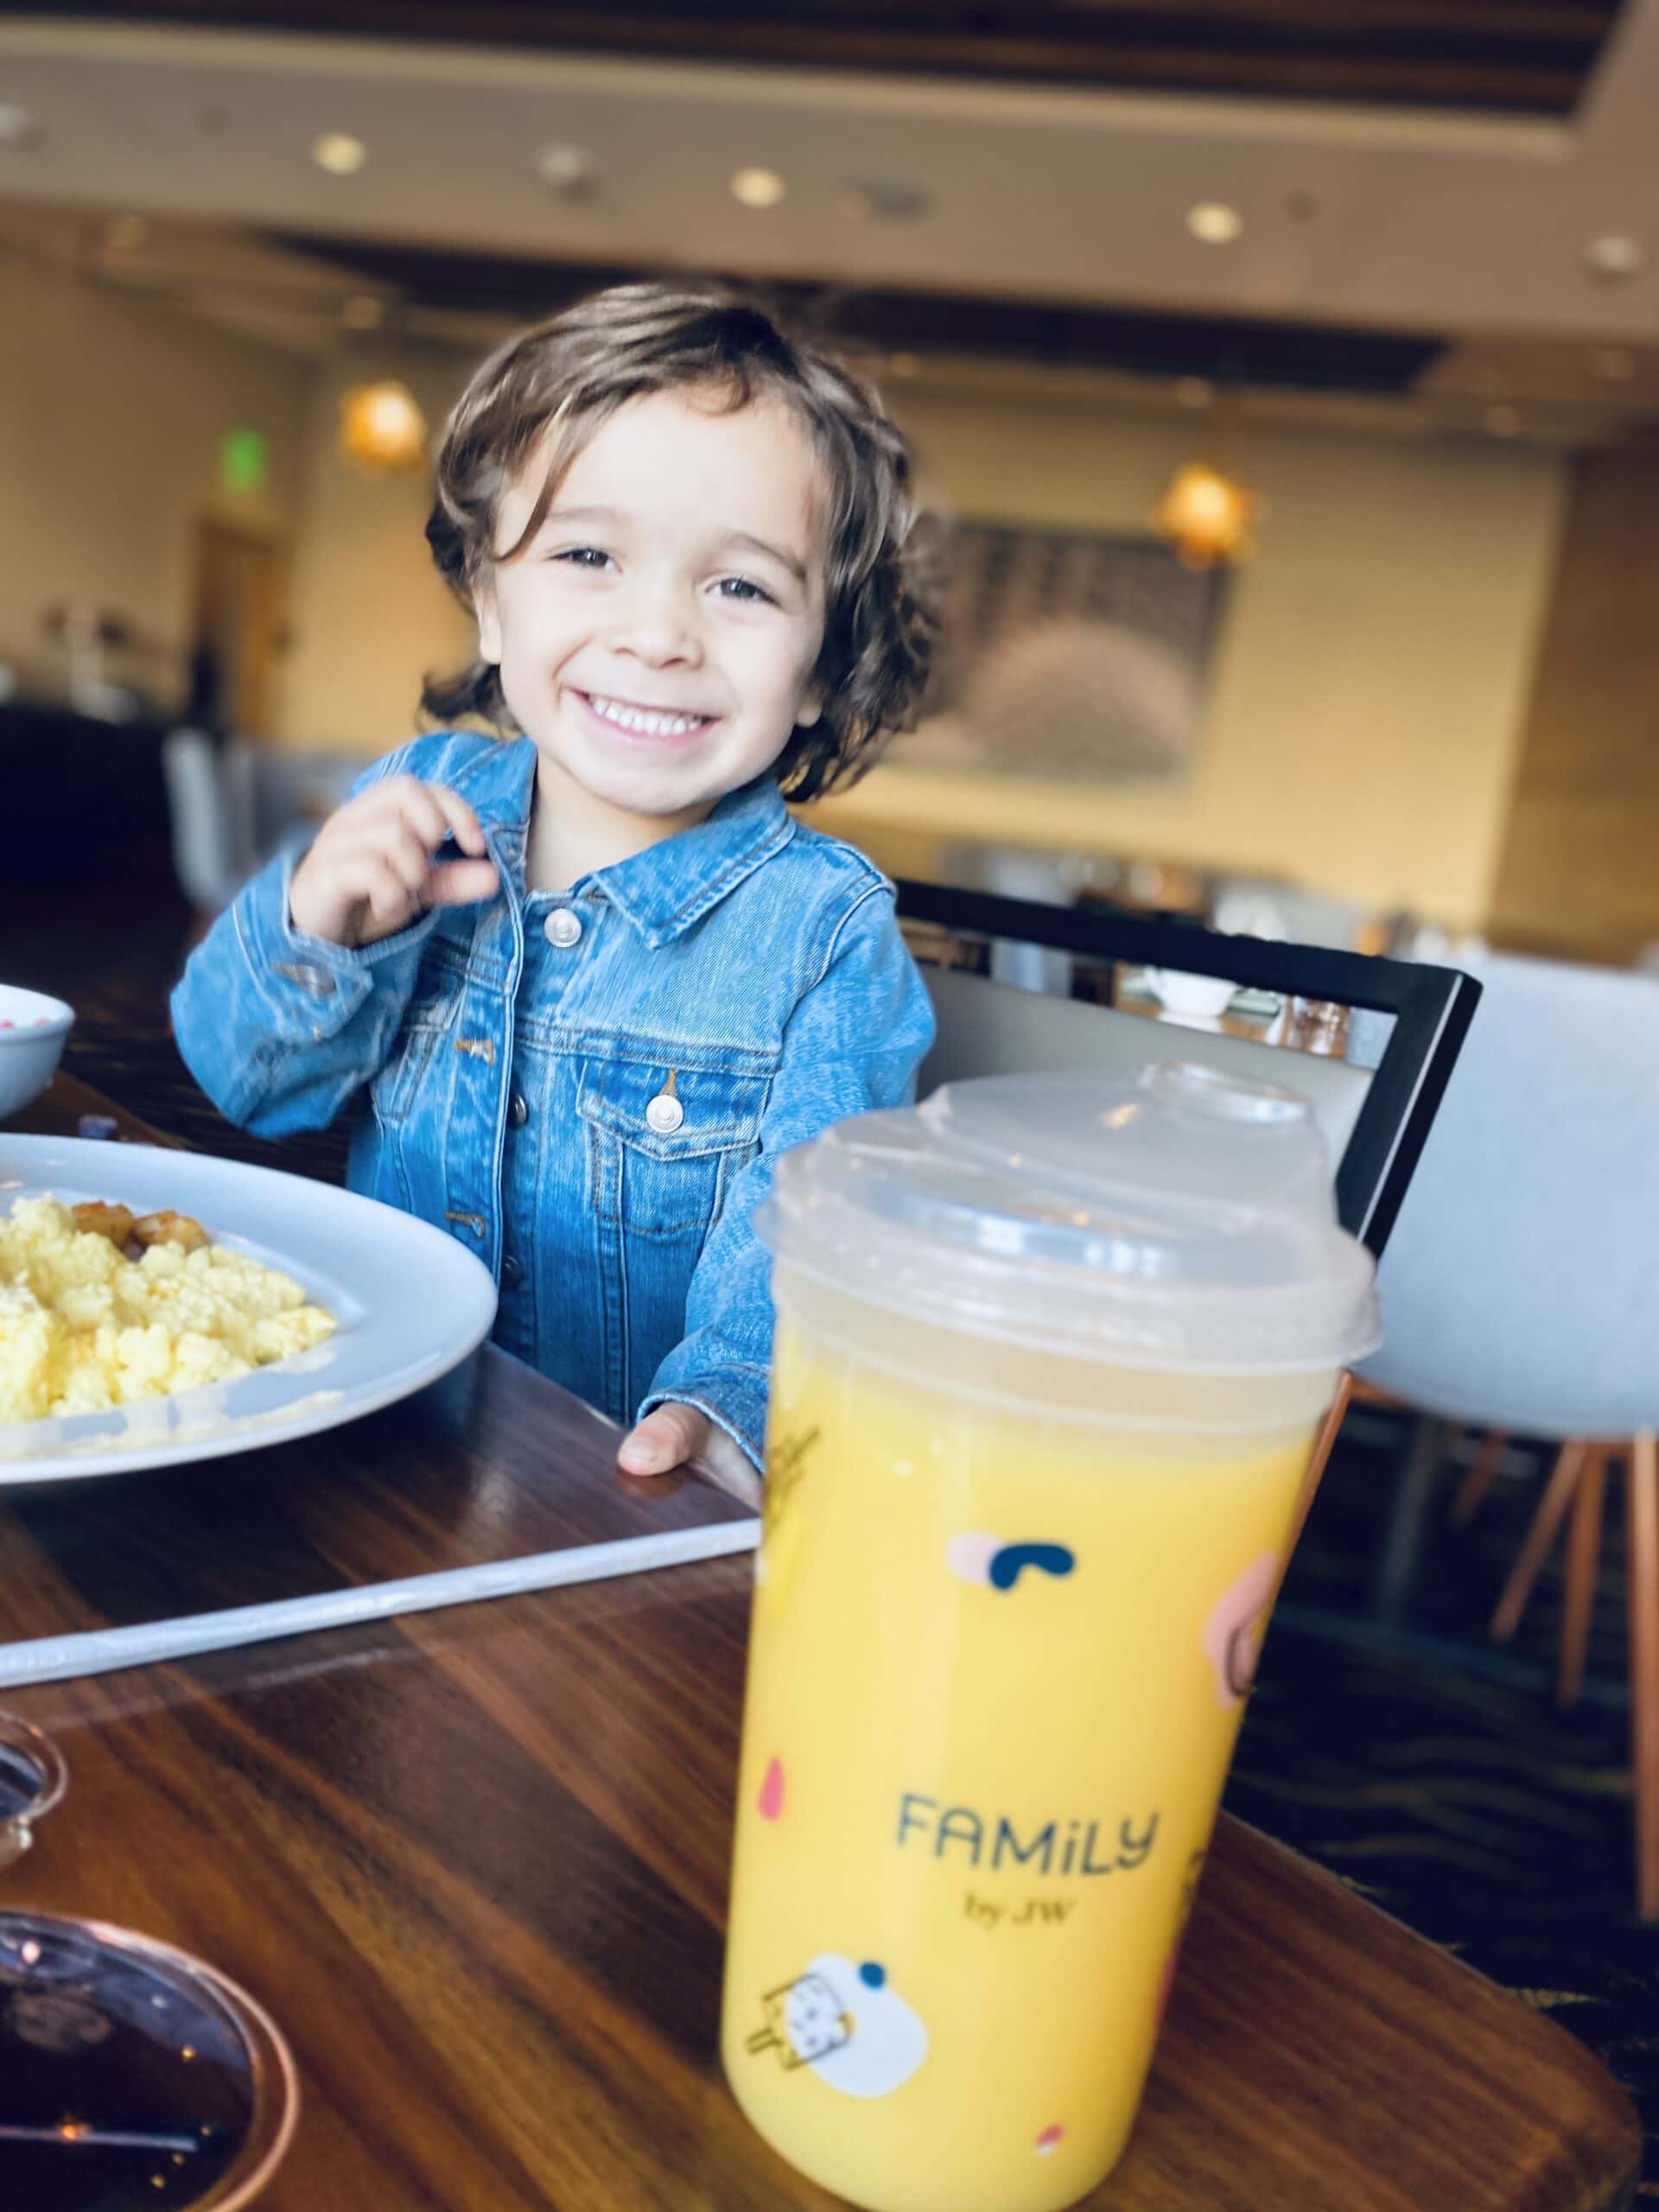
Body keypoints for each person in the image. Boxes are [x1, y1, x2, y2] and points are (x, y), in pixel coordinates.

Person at [171, 283, 938, 1498]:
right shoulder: (416, 799)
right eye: (589, 555)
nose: (658, 633)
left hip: (612, 1518)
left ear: (819, 673)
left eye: (740, 587)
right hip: (360, 1452)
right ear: (488, 596)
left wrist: (727, 1405)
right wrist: (313, 929)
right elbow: (243, 1080)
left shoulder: (826, 937)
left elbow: (806, 1246)